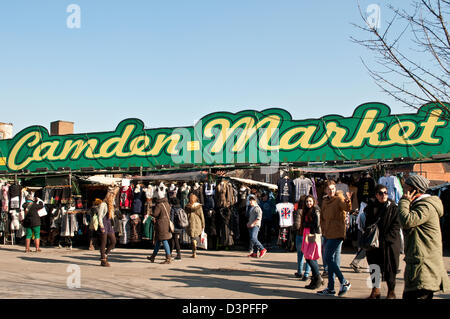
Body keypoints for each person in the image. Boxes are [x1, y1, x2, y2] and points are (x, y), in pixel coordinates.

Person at [397, 174, 449, 299]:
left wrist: (404, 201)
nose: (404, 191)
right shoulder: (421, 205)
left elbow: (407, 221)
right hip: (420, 266)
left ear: (413, 189)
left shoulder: (425, 206)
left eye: (405, 188)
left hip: (424, 267)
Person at [364, 184, 402, 299]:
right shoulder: (370, 208)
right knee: (374, 266)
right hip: (374, 243)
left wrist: (386, 238)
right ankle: (375, 290)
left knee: (390, 267)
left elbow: (396, 225)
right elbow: (367, 224)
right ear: (376, 195)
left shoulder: (393, 207)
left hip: (389, 243)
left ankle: (391, 291)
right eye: (381, 193)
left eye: (385, 192)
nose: (384, 195)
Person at [317, 181, 352, 296]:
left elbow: (346, 208)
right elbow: (322, 217)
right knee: (331, 261)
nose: (331, 191)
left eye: (333, 189)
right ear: (326, 190)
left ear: (335, 189)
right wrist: (322, 230)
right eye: (329, 189)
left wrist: (348, 200)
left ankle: (344, 281)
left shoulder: (339, 199)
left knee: (327, 258)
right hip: (327, 233)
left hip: (337, 233)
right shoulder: (325, 201)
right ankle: (331, 288)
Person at [301, 195, 324, 289]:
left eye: (310, 201)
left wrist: (305, 224)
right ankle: (315, 279)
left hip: (313, 234)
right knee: (308, 257)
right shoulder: (307, 210)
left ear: (313, 201)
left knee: (309, 257)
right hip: (308, 234)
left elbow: (317, 224)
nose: (308, 203)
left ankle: (318, 278)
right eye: (307, 201)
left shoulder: (316, 210)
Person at [147, 189, 173, 264]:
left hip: (161, 224)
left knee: (164, 240)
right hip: (166, 223)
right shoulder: (167, 203)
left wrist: (150, 211)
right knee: (158, 241)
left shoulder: (159, 205)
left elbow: (155, 214)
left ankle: (168, 258)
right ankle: (153, 257)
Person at [98, 187, 119, 267]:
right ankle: (103, 260)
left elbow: (111, 216)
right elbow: (100, 216)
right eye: (112, 196)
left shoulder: (111, 204)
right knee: (104, 243)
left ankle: (105, 255)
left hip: (109, 224)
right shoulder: (103, 204)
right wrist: (102, 227)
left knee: (113, 241)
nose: (113, 198)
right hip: (104, 223)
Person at [293, 197, 311, 280]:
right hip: (309, 235)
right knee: (308, 255)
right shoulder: (312, 211)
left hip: (300, 235)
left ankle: (300, 272)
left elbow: (297, 225)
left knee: (300, 255)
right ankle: (307, 273)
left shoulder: (299, 211)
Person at [185, 193, 205, 258]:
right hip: (197, 222)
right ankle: (195, 248)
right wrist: (203, 224)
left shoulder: (187, 206)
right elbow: (201, 215)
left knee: (192, 237)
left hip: (190, 222)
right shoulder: (198, 206)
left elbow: (185, 215)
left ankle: (193, 251)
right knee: (196, 236)